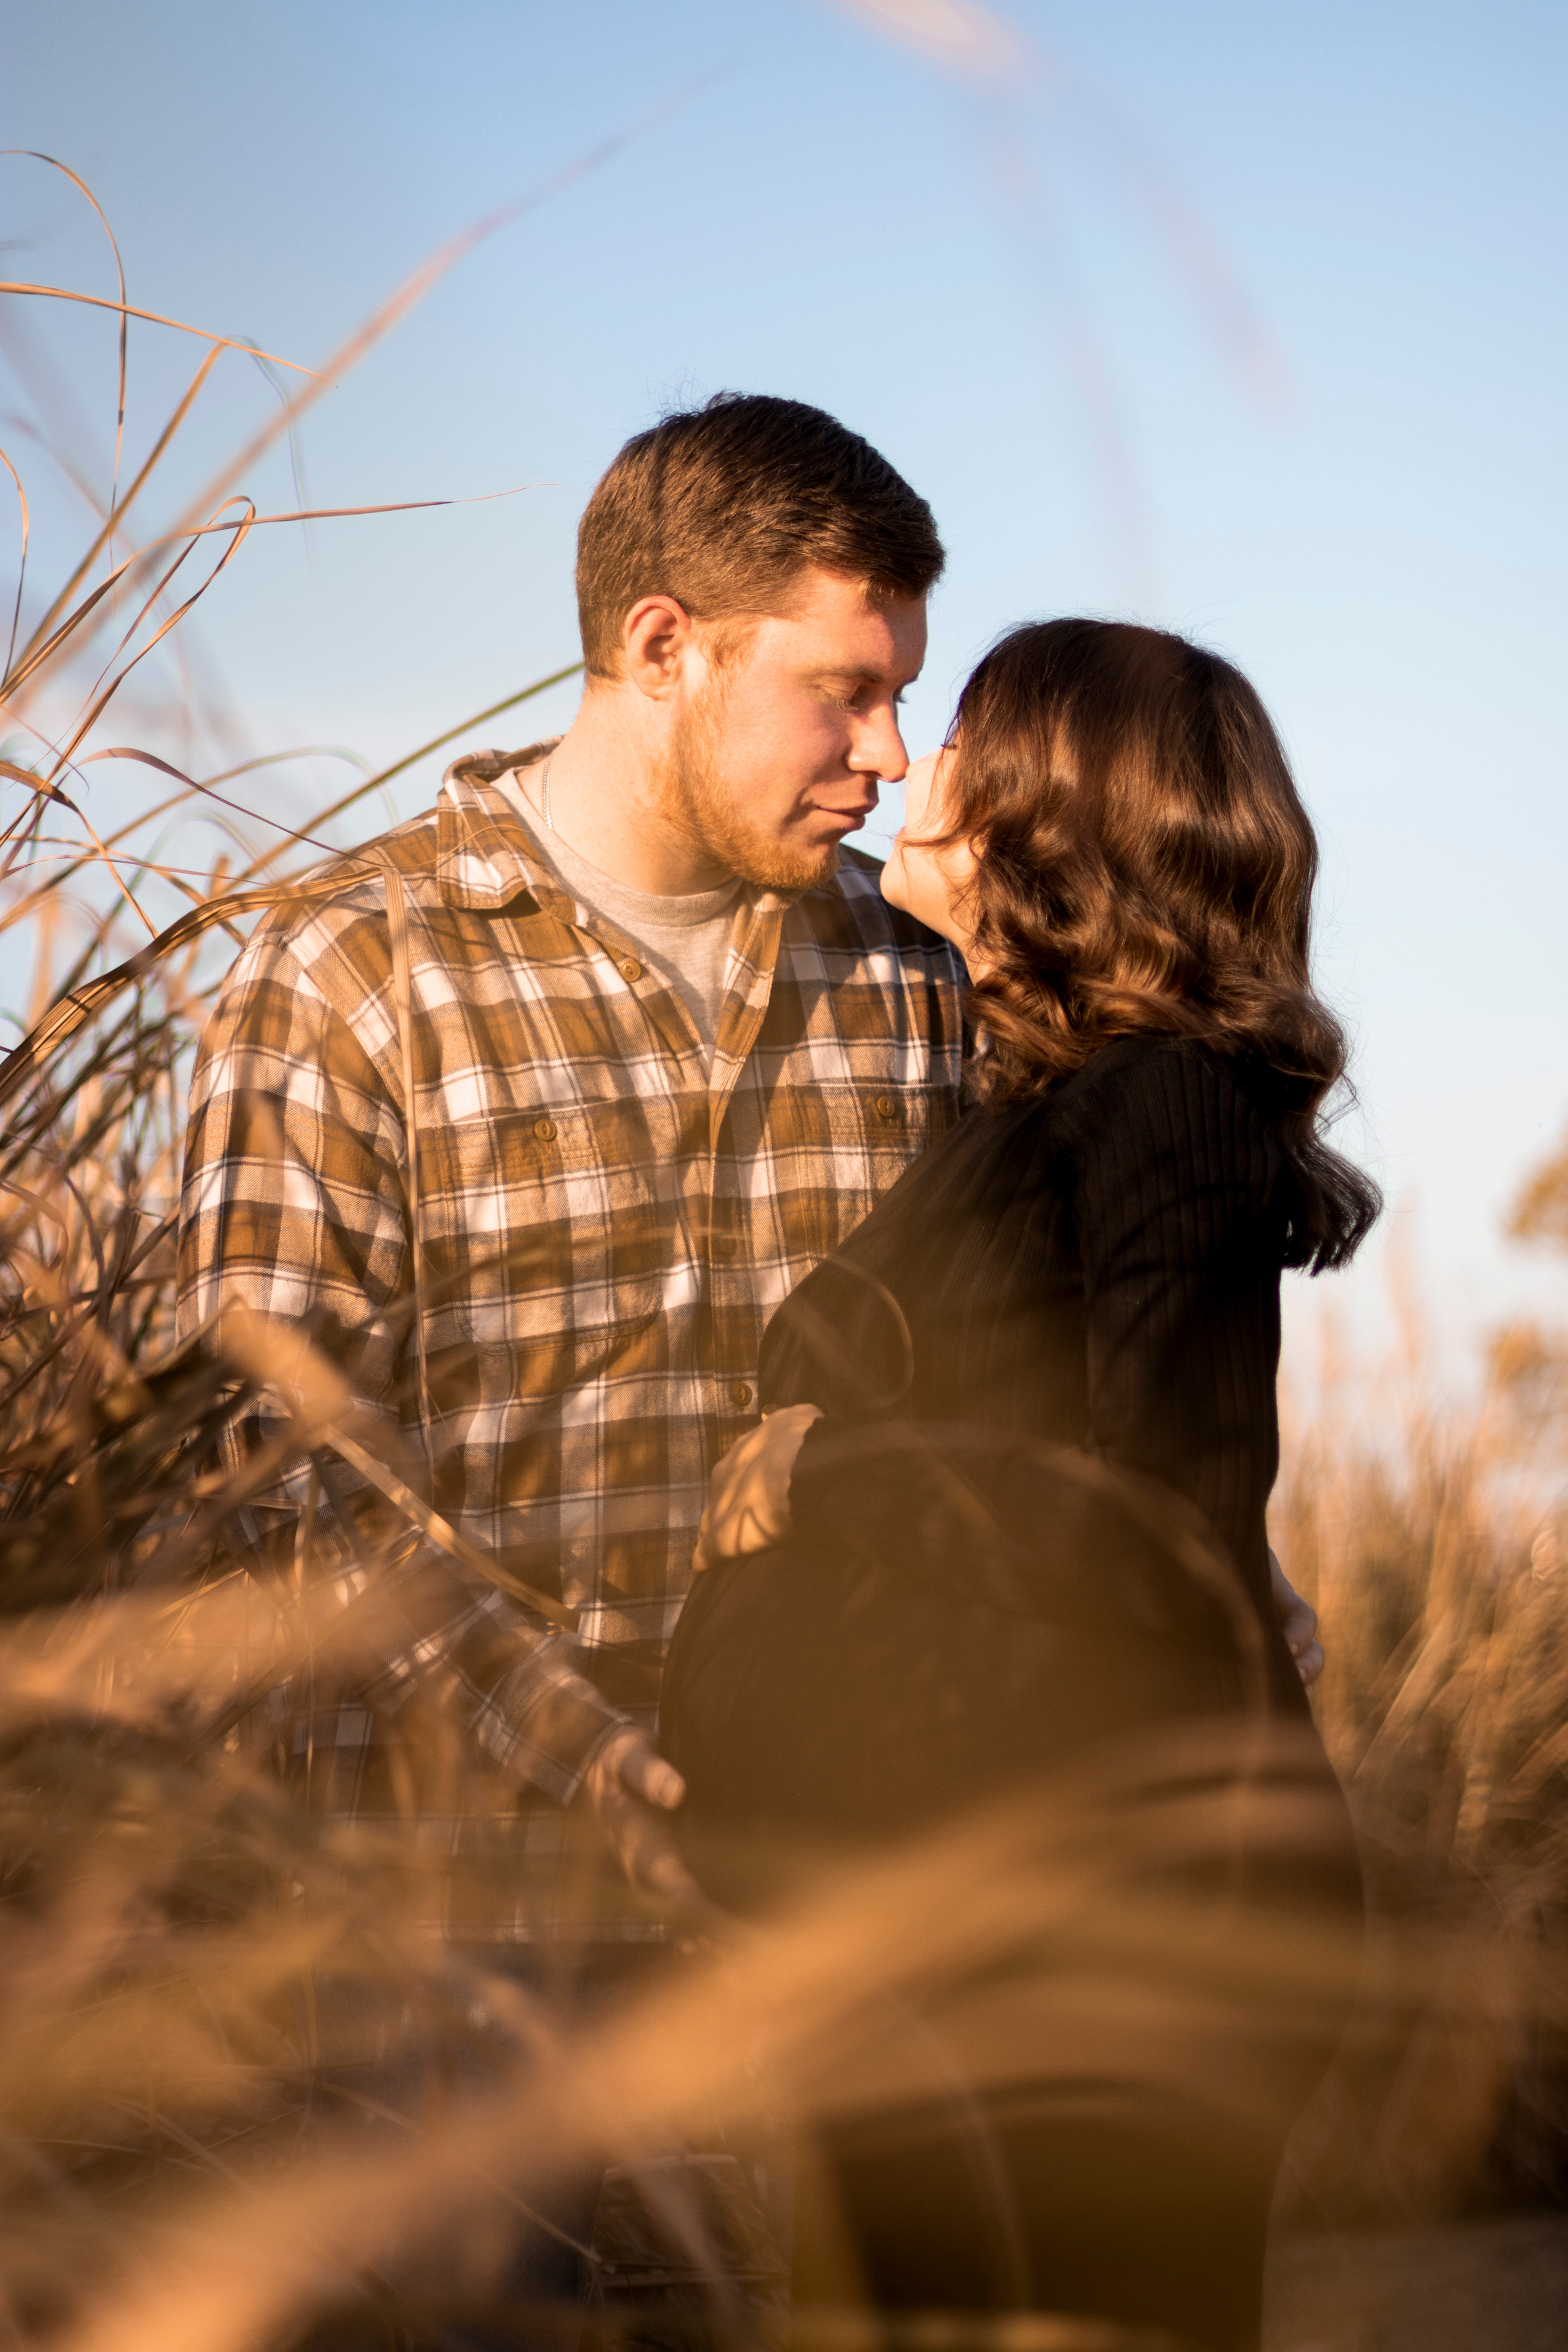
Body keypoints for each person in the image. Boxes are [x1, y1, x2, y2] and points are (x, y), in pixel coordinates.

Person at [665, 617, 1379, 2350]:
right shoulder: (1033, 1106)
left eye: (964, 739)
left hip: (1126, 1943)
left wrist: (830, 1471)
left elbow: (1157, 1530)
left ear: (1052, 824)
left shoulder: (1169, 1101)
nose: (913, 766)